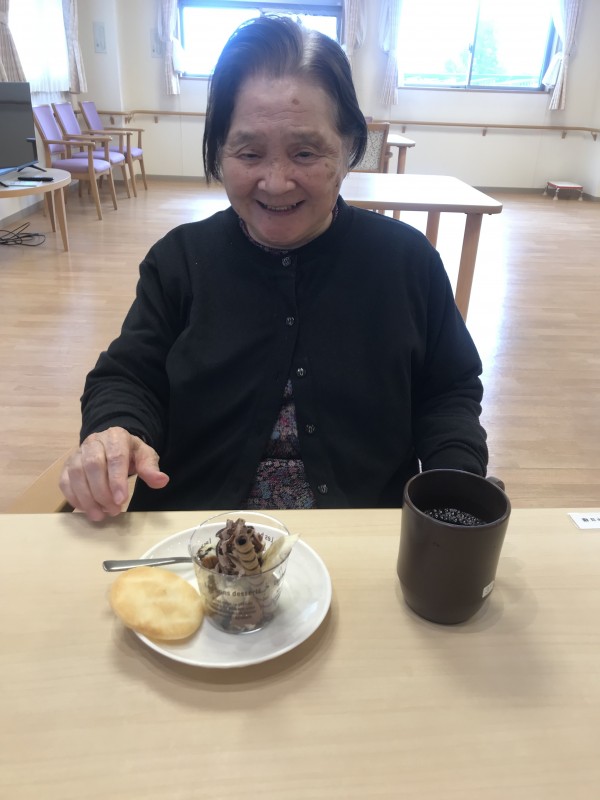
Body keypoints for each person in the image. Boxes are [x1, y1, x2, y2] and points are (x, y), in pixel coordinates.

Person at [59, 15, 488, 522]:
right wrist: (115, 431)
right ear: (220, 151)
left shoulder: (407, 262)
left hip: (358, 536)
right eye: (249, 153)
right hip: (194, 536)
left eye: (305, 152)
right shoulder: (180, 261)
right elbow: (129, 376)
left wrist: (453, 488)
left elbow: (448, 392)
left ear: (350, 148)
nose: (276, 182)